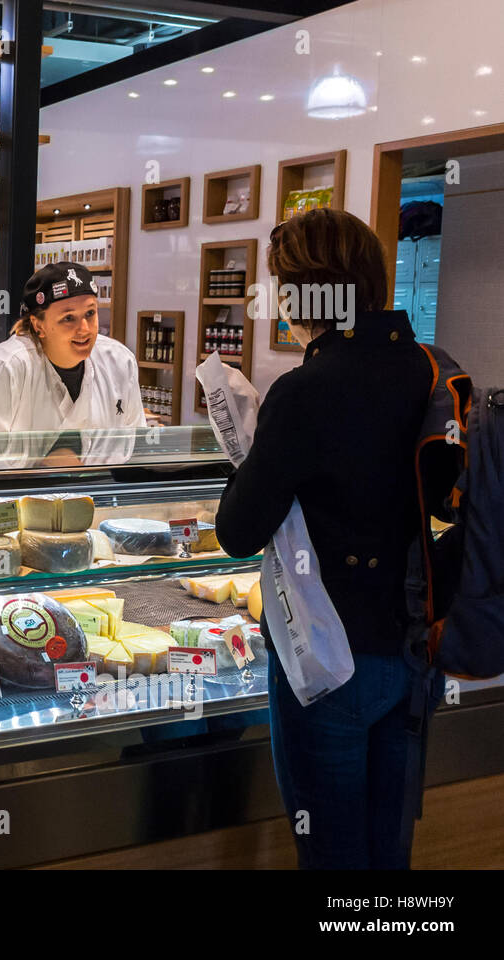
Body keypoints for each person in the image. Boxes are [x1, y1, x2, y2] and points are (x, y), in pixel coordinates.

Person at [215, 208, 457, 869]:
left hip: (327, 659)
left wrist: (247, 454)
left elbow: (237, 531)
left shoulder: (304, 391)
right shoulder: (429, 370)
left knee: (331, 854)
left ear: (305, 293)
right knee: (388, 850)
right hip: (412, 651)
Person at [0, 262, 144, 465]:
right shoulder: (5, 367)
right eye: (68, 318)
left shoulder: (119, 361)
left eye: (90, 313)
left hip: (100, 493)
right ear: (39, 326)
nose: (84, 329)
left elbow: (133, 440)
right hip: (11, 493)